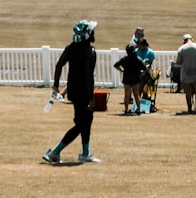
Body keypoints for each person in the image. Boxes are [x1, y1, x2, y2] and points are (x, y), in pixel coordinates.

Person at [43, 20, 100, 164]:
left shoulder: (71, 48)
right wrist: (91, 99)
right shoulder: (90, 52)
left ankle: (86, 153)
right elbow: (88, 77)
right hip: (84, 93)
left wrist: (56, 85)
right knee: (82, 124)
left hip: (73, 91)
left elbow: (59, 65)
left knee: (86, 121)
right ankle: (55, 152)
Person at [175, 33, 196, 113]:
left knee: (188, 93)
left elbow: (178, 62)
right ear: (192, 39)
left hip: (186, 74)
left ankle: (190, 108)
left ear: (184, 41)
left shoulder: (181, 48)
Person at [114, 44, 145, 115]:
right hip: (135, 78)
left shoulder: (124, 59)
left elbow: (116, 65)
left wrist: (121, 70)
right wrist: (141, 73)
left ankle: (126, 109)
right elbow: (144, 68)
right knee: (136, 95)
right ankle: (138, 109)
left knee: (127, 95)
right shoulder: (138, 59)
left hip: (127, 78)